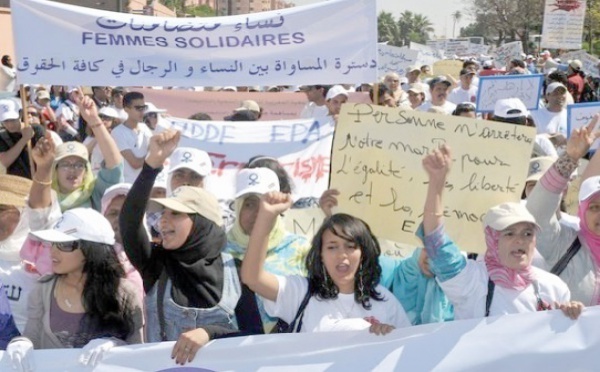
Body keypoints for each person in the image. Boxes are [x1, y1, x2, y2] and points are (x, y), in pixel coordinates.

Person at [119, 129, 262, 365]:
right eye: (163, 213)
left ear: (201, 223)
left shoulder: (236, 271)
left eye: (175, 213)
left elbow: (254, 335)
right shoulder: (156, 264)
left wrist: (210, 333)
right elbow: (129, 222)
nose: (163, 221)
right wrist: (151, 166)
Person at [418, 145, 583, 320]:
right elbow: (436, 241)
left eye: (527, 234)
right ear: (492, 240)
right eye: (509, 233)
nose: (520, 241)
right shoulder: (471, 280)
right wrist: (436, 183)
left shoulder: (553, 287)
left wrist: (569, 316)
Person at [241, 191, 411, 334]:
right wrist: (266, 216)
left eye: (350, 246)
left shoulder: (385, 300)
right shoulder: (300, 292)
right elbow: (252, 278)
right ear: (320, 254)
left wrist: (388, 335)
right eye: (332, 247)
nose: (341, 255)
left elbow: (407, 350)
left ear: (363, 254)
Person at [7, 208, 144, 369]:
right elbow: (32, 338)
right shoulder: (43, 289)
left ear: (91, 249)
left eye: (64, 245)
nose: (53, 251)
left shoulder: (125, 293)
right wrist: (20, 343)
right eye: (53, 243)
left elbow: (138, 354)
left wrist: (115, 345)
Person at [224, 168, 311, 332]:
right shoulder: (218, 251)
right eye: (249, 204)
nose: (259, 212)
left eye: (265, 204)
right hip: (231, 352)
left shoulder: (301, 249)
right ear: (237, 207)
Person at [526, 118, 600, 305]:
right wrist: (571, 158)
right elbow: (536, 213)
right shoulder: (564, 244)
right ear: (582, 210)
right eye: (595, 207)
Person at [29, 94, 123, 213]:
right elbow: (37, 213)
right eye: (65, 164)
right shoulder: (45, 196)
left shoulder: (95, 194)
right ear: (56, 169)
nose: (72, 170)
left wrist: (94, 120)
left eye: (79, 165)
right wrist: (43, 167)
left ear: (86, 170)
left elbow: (115, 166)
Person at [110, 91, 153, 183]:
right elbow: (135, 163)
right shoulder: (117, 132)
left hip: (146, 183)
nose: (142, 111)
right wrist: (155, 155)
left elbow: (152, 149)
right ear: (126, 109)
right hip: (128, 185)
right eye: (138, 108)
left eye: (143, 108)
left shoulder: (145, 127)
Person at [0, 99, 45, 179]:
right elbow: (5, 162)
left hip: (38, 179)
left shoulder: (36, 129)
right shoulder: (2, 136)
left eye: (13, 119)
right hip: (16, 182)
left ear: (20, 114)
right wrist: (24, 139)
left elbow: (44, 155)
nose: (10, 124)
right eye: (6, 121)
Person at [84, 106, 120, 176]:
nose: (103, 120)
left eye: (107, 118)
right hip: (95, 173)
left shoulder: (118, 136)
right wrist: (98, 135)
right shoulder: (91, 137)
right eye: (101, 117)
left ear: (114, 121)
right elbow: (84, 152)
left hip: (112, 174)